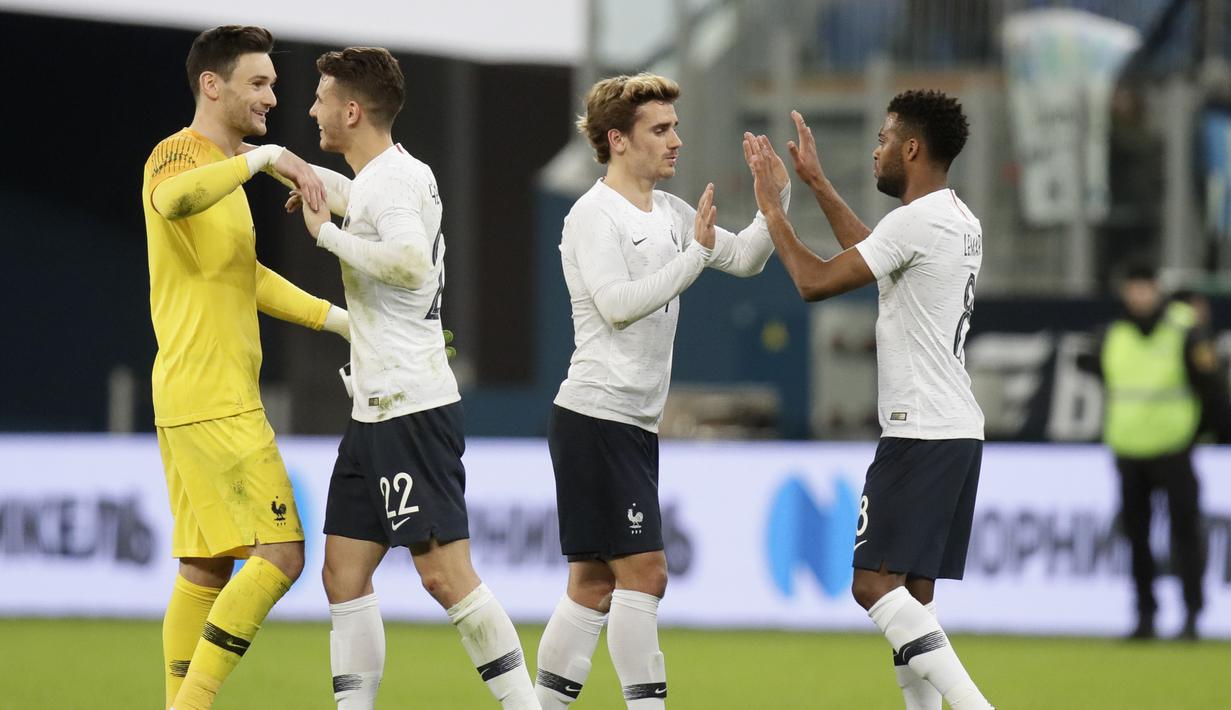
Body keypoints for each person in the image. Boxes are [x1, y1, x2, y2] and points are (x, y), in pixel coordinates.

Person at [290, 47, 538, 709]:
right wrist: (287, 173)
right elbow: (361, 203)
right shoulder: (393, 175)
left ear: (350, 109)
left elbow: (407, 264)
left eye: (320, 98)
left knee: (445, 576)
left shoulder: (388, 184)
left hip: (409, 406)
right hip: (374, 411)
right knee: (343, 572)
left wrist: (326, 236)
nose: (311, 108)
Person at [534, 73, 789, 710]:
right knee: (646, 573)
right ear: (618, 140)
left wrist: (771, 205)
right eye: (661, 129)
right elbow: (618, 306)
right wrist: (694, 258)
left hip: (628, 423)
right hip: (596, 416)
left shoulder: (673, 214)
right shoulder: (592, 216)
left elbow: (747, 258)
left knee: (592, 584)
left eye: (674, 127)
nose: (676, 140)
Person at [744, 92, 994, 709]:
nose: (876, 151)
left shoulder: (917, 221)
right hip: (956, 429)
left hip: (919, 432)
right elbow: (880, 258)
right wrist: (821, 185)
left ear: (912, 148)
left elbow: (814, 280)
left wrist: (773, 209)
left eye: (884, 140)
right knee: (913, 595)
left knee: (873, 584)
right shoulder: (957, 218)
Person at [142, 25, 350, 710]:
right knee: (282, 551)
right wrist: (263, 160)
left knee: (204, 564)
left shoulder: (221, 174)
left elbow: (244, 276)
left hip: (199, 393)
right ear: (213, 84)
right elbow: (171, 200)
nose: (271, 94)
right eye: (257, 82)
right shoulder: (176, 157)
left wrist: (339, 320)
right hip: (211, 397)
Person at [1080, 267, 1227, 640]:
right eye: (1134, 288)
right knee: (1137, 537)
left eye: (1145, 288)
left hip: (1174, 449)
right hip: (1129, 451)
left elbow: (1210, 384)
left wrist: (1203, 431)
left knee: (1185, 534)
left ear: (1155, 290)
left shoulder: (1183, 331)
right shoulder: (1114, 335)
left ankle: (1192, 616)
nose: (1140, 296)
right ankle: (1145, 615)